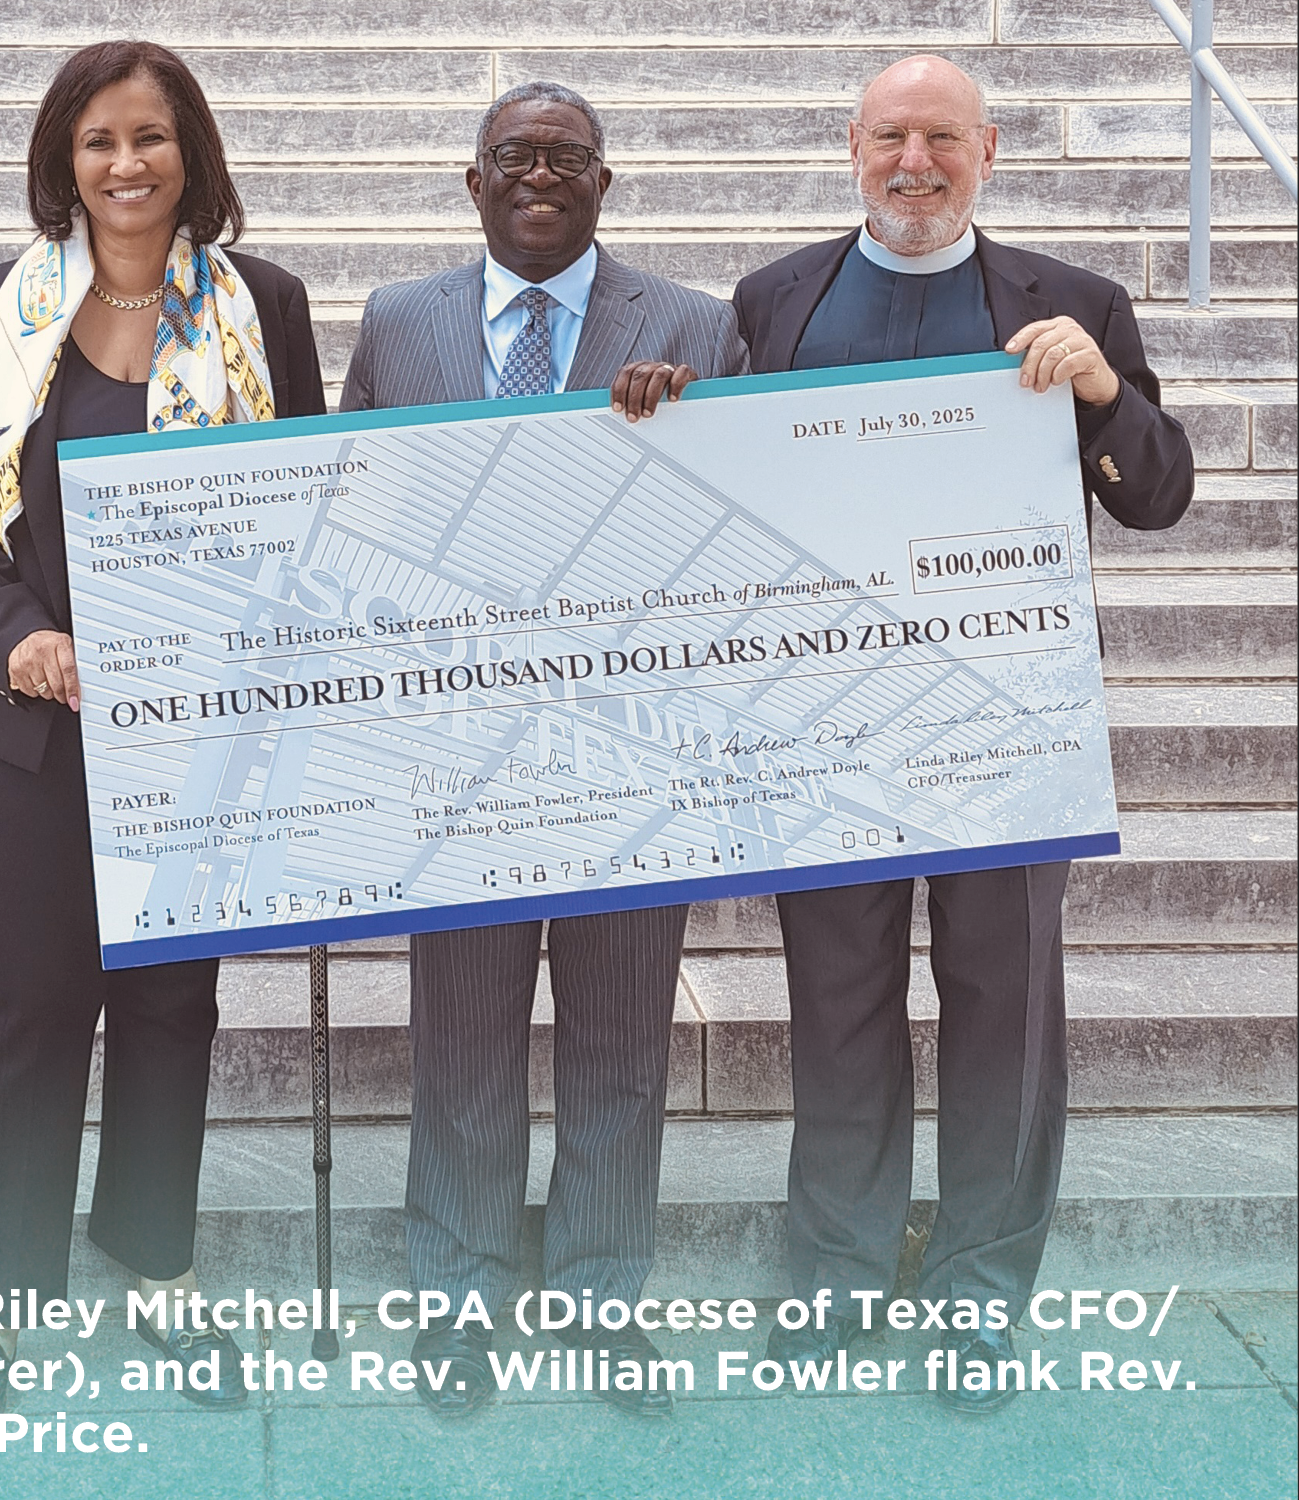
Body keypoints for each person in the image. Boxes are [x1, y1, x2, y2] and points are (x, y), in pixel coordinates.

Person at [731, 54, 1193, 1412]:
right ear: (851, 145)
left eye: (942, 137)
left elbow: (1158, 493)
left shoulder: (1074, 303)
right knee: (837, 1009)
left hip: (1009, 732)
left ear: (988, 150)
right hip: (829, 726)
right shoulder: (773, 298)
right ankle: (835, 1278)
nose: (914, 162)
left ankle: (980, 1294)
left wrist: (1103, 397)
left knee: (1005, 1014)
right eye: (891, 136)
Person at [0, 40, 325, 1427]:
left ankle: (156, 1265)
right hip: (27, 721)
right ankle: (2, 1299)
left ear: (190, 152)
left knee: (170, 1000)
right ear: (62, 163)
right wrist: (14, 628)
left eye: (149, 137)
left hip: (196, 725)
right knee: (34, 1004)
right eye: (98, 142)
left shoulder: (264, 306)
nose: (126, 164)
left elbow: (302, 495)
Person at [341, 80, 747, 1419]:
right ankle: (457, 1296)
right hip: (461, 757)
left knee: (620, 1046)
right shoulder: (398, 322)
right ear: (471, 182)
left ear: (604, 183)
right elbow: (354, 515)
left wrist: (692, 423)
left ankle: (597, 1300)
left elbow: (747, 529)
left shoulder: (694, 327)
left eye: (567, 158)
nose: (539, 176)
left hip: (631, 754)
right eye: (512, 155)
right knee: (461, 1043)